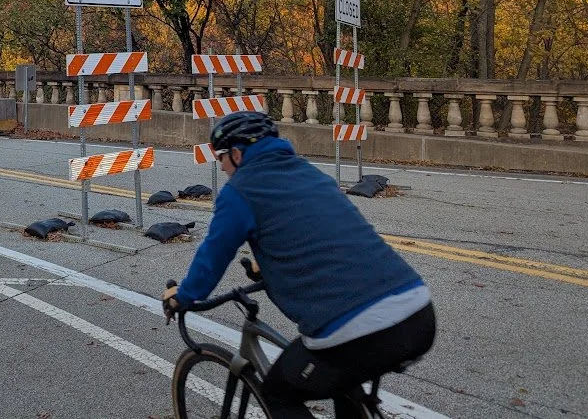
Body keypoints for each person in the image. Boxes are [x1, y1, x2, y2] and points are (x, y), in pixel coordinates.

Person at [162, 111, 436, 418]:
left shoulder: (240, 191)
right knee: (344, 385)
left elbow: (212, 257)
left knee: (278, 394)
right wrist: (268, 267)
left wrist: (182, 297)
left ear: (237, 154)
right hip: (418, 312)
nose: (222, 166)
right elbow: (322, 232)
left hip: (360, 329)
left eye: (221, 157)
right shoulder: (310, 174)